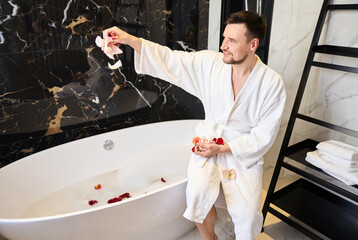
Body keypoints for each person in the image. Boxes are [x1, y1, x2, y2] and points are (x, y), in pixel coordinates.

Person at [102, 11, 286, 240]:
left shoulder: (271, 83)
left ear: (253, 44)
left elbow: (264, 135)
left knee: (247, 216)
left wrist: (223, 149)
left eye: (232, 40)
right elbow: (170, 58)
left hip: (241, 151)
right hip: (208, 141)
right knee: (197, 194)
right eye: (224, 38)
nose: (223, 46)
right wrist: (128, 39)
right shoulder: (211, 64)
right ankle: (210, 238)